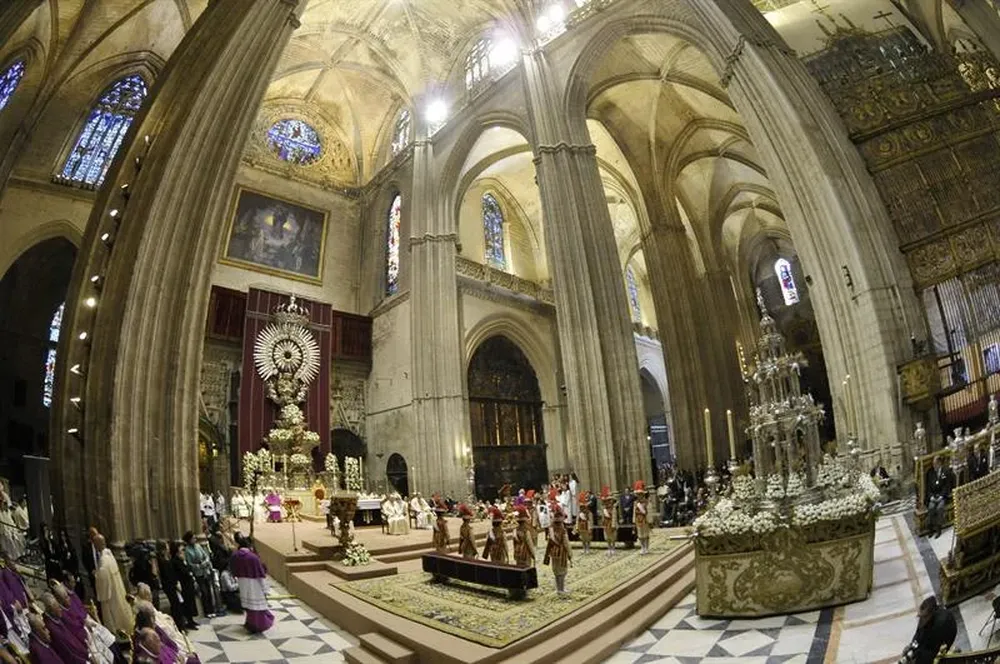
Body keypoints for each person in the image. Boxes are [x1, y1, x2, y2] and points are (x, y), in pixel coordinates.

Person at [230, 535, 273, 634]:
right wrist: (265, 589)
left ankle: (249, 624)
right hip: (254, 584)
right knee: (257, 607)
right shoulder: (253, 557)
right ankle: (258, 625)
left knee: (249, 606)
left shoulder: (235, 555)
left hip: (242, 582)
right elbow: (260, 574)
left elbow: (232, 568)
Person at [93, 535, 133, 636]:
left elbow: (103, 586)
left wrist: (96, 575)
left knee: (114, 621)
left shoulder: (103, 562)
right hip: (117, 592)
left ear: (97, 544)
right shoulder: (110, 555)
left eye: (95, 543)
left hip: (111, 599)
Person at [900, 596, 957, 663]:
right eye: (920, 617)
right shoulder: (924, 620)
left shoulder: (940, 623)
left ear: (931, 614)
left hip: (940, 642)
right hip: (931, 641)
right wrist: (912, 647)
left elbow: (931, 649)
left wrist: (916, 657)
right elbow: (918, 635)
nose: (921, 620)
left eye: (924, 617)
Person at [182, 532, 215, 619]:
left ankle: (212, 610)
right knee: (204, 592)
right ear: (189, 540)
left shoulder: (198, 546)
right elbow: (190, 564)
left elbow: (205, 556)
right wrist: (199, 566)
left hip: (205, 571)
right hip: (198, 573)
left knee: (209, 591)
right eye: (193, 538)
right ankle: (207, 611)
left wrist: (205, 562)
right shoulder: (187, 550)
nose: (195, 539)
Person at [155, 542, 185, 631]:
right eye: (167, 547)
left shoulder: (167, 558)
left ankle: (181, 624)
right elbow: (166, 574)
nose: (168, 549)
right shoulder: (161, 560)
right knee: (175, 605)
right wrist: (175, 584)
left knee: (177, 605)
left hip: (172, 584)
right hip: (169, 585)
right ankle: (179, 626)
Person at [169, 542, 198, 631]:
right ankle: (189, 621)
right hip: (184, 585)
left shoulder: (182, 560)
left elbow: (189, 569)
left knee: (191, 602)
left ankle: (191, 620)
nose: (183, 552)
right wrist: (189, 572)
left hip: (188, 584)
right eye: (181, 550)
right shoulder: (175, 561)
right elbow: (184, 572)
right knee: (187, 603)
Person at [543, 504, 571, 595]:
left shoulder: (551, 528)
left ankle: (558, 588)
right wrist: (570, 554)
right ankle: (561, 589)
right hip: (561, 552)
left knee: (556, 570)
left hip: (553, 552)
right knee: (562, 571)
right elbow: (566, 543)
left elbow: (549, 541)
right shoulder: (563, 530)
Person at [924, 456, 954, 538]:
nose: (934, 466)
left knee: (939, 508)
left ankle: (938, 529)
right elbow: (928, 487)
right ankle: (931, 529)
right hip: (933, 496)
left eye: (936, 464)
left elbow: (946, 486)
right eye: (933, 464)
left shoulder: (944, 472)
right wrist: (931, 497)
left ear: (939, 463)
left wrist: (941, 496)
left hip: (941, 496)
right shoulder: (930, 473)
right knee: (931, 508)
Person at [633, 481, 651, 555]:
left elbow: (649, 511)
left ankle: (646, 547)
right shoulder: (636, 503)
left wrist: (650, 520)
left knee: (646, 534)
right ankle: (642, 547)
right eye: (638, 494)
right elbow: (634, 512)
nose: (639, 496)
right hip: (638, 520)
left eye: (640, 494)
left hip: (645, 520)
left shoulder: (647, 502)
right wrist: (634, 520)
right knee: (640, 535)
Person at [600, 487, 618, 556]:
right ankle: (609, 548)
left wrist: (613, 525)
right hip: (606, 525)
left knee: (612, 537)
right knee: (607, 538)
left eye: (608, 501)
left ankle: (613, 548)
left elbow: (614, 517)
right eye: (605, 501)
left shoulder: (613, 509)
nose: (607, 503)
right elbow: (603, 517)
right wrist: (603, 523)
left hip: (611, 524)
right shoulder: (604, 509)